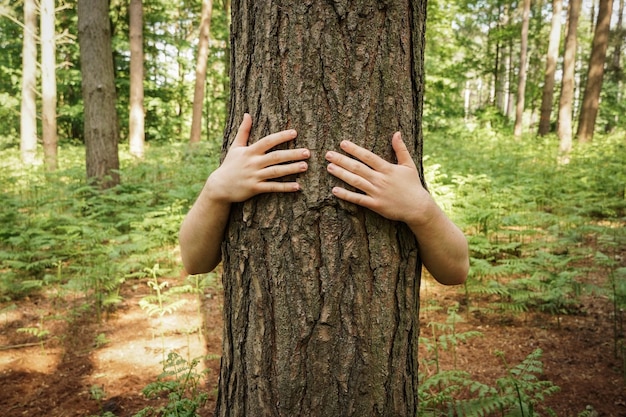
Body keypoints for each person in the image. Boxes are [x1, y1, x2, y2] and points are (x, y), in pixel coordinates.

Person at [179, 113, 469, 286]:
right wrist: (214, 190)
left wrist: (422, 210)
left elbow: (456, 271)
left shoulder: (404, 175)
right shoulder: (234, 165)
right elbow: (194, 262)